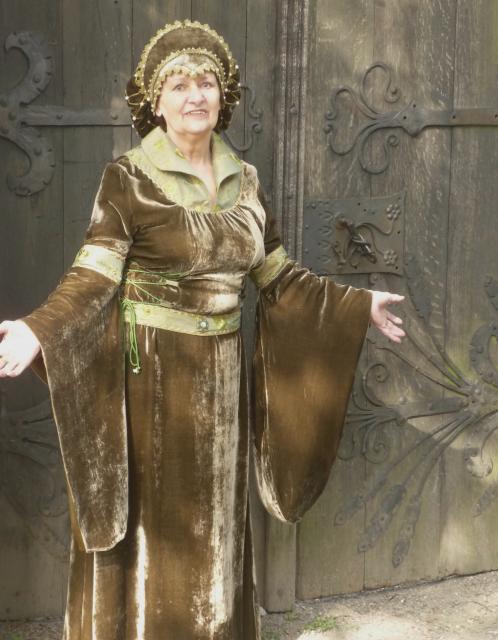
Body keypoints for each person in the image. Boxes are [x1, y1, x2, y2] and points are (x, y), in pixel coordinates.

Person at [0, 19, 404, 640]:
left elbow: (277, 275)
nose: (196, 95)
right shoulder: (128, 178)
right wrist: (38, 329)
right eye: (180, 85)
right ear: (156, 103)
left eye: (207, 83)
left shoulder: (247, 180)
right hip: (149, 383)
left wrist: (356, 304)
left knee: (215, 525)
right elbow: (93, 275)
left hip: (222, 379)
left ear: (223, 97)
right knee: (153, 532)